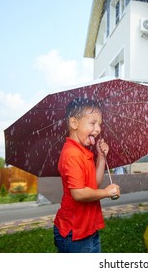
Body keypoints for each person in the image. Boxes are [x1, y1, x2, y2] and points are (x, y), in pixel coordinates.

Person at [53, 97, 121, 253]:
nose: (98, 129)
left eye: (100, 125)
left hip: (89, 230)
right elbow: (79, 193)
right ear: (74, 123)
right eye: (92, 123)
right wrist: (106, 192)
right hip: (74, 233)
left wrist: (101, 157)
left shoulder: (84, 151)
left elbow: (93, 185)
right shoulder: (72, 154)